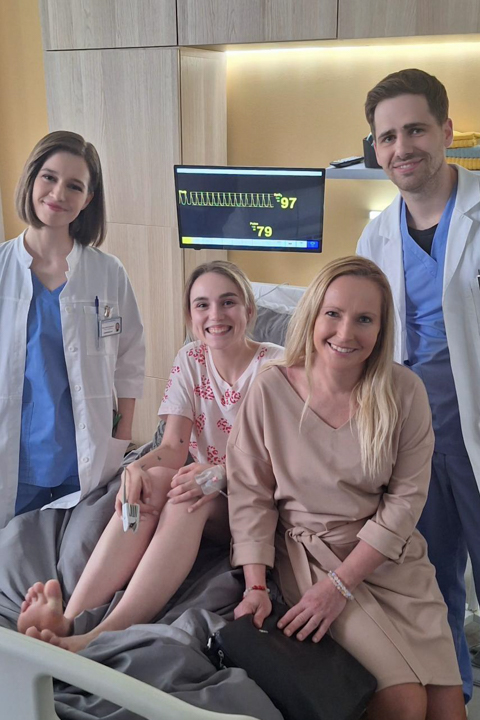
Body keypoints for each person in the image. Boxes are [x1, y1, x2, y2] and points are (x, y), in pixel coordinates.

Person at [228, 256, 465, 720]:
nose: (345, 332)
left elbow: (405, 502)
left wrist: (343, 584)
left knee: (448, 710)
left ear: (382, 328)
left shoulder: (404, 392)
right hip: (312, 559)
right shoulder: (271, 388)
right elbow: (249, 493)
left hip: (390, 561)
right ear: (312, 315)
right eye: (333, 314)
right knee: (404, 702)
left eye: (364, 319)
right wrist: (256, 584)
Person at [17, 260, 283, 651]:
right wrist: (136, 469)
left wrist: (219, 474)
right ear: (190, 316)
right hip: (202, 484)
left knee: (186, 499)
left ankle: (99, 636)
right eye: (202, 305)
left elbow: (280, 463)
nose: (215, 315)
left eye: (228, 302)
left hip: (252, 501)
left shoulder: (277, 368)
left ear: (249, 310)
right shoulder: (191, 359)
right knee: (152, 483)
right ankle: (70, 618)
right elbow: (174, 447)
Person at [356, 68, 480, 703]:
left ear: (447, 131)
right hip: (415, 444)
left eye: (415, 130)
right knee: (430, 589)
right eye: (387, 137)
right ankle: (455, 701)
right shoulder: (376, 234)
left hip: (473, 430)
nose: (401, 147)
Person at [0, 131, 145, 528]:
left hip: (85, 454)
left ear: (88, 198)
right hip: (16, 457)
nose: (58, 193)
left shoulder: (106, 272)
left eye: (74, 186)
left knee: (78, 553)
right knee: (16, 558)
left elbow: (130, 358)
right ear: (31, 179)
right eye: (49, 177)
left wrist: (122, 435)